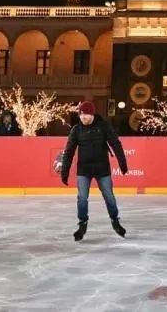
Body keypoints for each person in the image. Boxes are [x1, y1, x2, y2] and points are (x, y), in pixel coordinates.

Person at [60, 101, 128, 241]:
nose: (83, 118)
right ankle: (82, 224)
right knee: (82, 198)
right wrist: (64, 171)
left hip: (102, 169)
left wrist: (122, 163)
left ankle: (115, 221)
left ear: (92, 114)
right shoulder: (76, 130)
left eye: (86, 115)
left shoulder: (103, 126)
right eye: (81, 115)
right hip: (84, 170)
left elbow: (115, 143)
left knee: (109, 196)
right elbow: (68, 152)